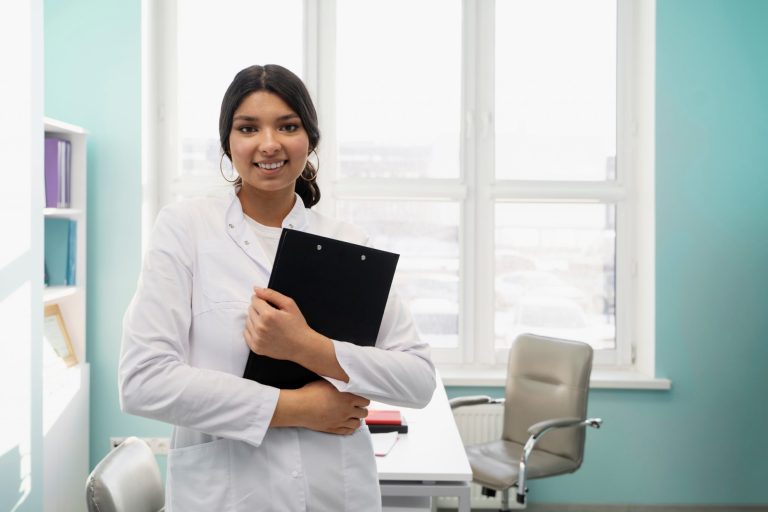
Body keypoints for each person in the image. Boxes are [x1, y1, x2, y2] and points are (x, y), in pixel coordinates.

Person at [118, 64, 436, 512]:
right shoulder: (186, 229)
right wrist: (297, 408)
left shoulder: (347, 244)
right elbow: (143, 381)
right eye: (248, 128)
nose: (269, 144)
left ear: (311, 139)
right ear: (228, 143)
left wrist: (308, 347)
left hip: (334, 493)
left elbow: (418, 379)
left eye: (287, 126)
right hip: (226, 496)